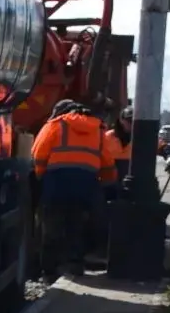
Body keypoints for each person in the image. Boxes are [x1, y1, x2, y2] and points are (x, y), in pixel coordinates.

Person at [31, 100, 116, 280]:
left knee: (51, 225)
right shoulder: (98, 129)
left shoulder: (55, 125)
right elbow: (107, 162)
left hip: (56, 182)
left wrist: (39, 176)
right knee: (77, 225)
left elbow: (38, 152)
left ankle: (49, 270)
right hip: (86, 185)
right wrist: (106, 183)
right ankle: (74, 265)